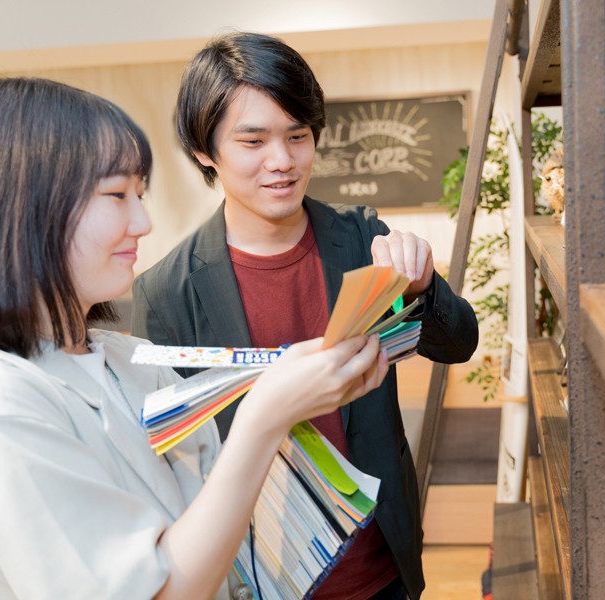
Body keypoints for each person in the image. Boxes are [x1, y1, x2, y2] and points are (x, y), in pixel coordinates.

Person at [0, 77, 389, 600]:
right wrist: (264, 415)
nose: (143, 222)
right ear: (18, 210)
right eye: (117, 195)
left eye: (139, 194)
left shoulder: (128, 358)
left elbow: (210, 534)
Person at [131, 31, 479, 600]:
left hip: (382, 567)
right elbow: (177, 462)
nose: (283, 161)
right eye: (252, 141)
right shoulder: (167, 292)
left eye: (298, 136)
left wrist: (422, 285)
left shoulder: (362, 237)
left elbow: (458, 341)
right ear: (204, 151)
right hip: (258, 576)